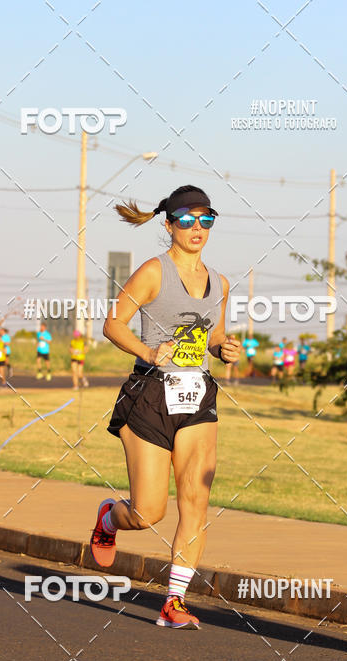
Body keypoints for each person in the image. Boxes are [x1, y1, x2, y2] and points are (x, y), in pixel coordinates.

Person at [90, 185, 240, 629]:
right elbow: (112, 324)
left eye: (206, 219)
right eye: (188, 220)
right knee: (148, 511)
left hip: (197, 395)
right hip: (150, 395)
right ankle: (109, 517)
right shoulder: (154, 272)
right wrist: (150, 351)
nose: (198, 228)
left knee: (196, 498)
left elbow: (213, 336)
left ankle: (174, 601)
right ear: (169, 223)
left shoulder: (221, 283)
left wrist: (223, 348)